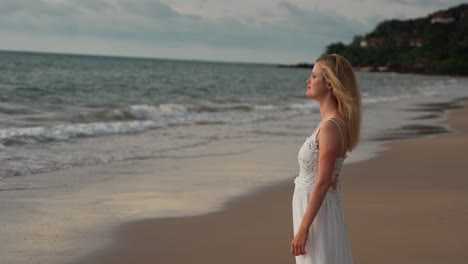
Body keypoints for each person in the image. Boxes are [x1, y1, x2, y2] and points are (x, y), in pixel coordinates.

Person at [291, 54, 361, 264]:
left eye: (314, 76)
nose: (308, 80)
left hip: (316, 218)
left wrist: (304, 229)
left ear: (330, 84)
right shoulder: (331, 124)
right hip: (316, 211)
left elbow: (322, 182)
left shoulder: (331, 127)